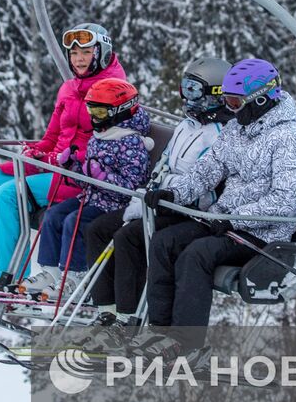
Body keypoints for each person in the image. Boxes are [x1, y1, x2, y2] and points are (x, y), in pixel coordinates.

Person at [140, 58, 296, 352]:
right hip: (224, 222)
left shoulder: (288, 139)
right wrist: (173, 193)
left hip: (264, 234)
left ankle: (186, 345)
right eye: (227, 102)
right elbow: (209, 169)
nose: (230, 110)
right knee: (164, 242)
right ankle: (159, 333)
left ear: (259, 100)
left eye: (234, 103)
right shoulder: (237, 130)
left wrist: (236, 219)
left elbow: (285, 199)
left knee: (196, 254)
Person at [0, 24, 128, 290]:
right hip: (52, 166)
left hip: (79, 176)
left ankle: (10, 277)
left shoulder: (114, 92)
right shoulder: (69, 89)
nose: (79, 59)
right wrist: (37, 153)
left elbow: (110, 147)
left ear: (101, 52)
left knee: (7, 195)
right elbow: (52, 136)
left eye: (85, 52)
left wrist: (59, 160)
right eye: (73, 53)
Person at [83, 58, 232, 321]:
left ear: (216, 94)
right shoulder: (187, 126)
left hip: (186, 208)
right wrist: (148, 189)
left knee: (130, 236)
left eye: (195, 90)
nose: (188, 97)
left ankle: (128, 319)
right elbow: (164, 162)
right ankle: (106, 310)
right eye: (184, 88)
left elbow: (203, 182)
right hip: (159, 198)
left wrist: (163, 192)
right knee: (99, 228)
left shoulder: (221, 134)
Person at [20, 78, 153, 298]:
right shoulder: (100, 135)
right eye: (91, 111)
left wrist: (101, 175)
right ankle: (51, 272)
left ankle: (76, 276)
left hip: (114, 206)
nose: (93, 118)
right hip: (91, 197)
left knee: (75, 222)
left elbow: (130, 186)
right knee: (54, 214)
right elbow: (89, 176)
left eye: (99, 113)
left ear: (119, 111)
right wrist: (75, 166)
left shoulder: (133, 143)